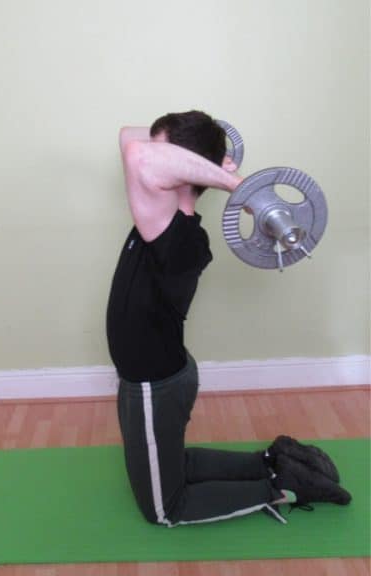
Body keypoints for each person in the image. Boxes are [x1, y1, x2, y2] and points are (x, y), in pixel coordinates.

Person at [106, 110, 351, 526]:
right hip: (157, 374)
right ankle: (273, 462)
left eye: (163, 150)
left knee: (165, 509)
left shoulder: (174, 236)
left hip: (153, 382)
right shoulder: (160, 216)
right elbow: (130, 138)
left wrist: (244, 189)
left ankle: (286, 488)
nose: (149, 152)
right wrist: (212, 152)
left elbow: (138, 154)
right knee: (171, 464)